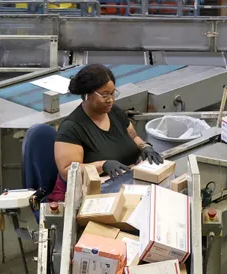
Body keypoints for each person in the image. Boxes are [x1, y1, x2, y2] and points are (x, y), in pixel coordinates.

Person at [49, 64, 164, 200]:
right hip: (95, 193)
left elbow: (133, 137)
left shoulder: (114, 112)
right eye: (104, 95)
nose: (110, 99)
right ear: (87, 95)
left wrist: (145, 147)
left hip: (127, 184)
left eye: (112, 94)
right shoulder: (72, 128)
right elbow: (67, 171)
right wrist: (102, 165)